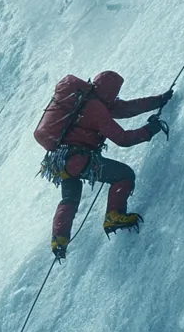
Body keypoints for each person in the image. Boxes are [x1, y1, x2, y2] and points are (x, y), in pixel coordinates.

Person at [43, 71, 171, 258]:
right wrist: (149, 130)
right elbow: (123, 139)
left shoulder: (86, 101)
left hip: (60, 162)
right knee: (124, 175)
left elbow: (128, 108)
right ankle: (114, 215)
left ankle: (59, 239)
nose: (116, 96)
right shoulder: (96, 108)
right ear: (110, 91)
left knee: (69, 199)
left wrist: (158, 100)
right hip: (78, 158)